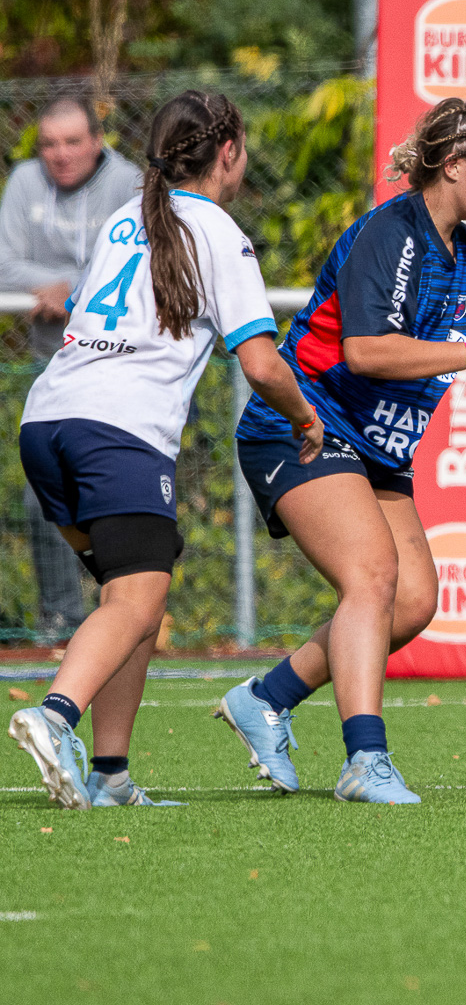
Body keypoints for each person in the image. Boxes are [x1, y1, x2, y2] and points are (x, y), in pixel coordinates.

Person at [214, 98, 466, 806]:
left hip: (377, 449)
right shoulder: (391, 234)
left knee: (410, 603)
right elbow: (366, 351)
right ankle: (364, 760)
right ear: (455, 165)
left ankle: (265, 699)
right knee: (372, 578)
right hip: (306, 427)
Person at [8, 91, 320, 810]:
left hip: (47, 422)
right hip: (117, 431)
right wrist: (307, 420)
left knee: (131, 599)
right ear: (229, 152)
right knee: (136, 597)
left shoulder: (127, 217)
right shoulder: (218, 231)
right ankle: (54, 717)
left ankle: (111, 776)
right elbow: (262, 364)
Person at [0, 97, 143, 638]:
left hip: (117, 366)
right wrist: (55, 284)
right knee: (43, 491)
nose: (60, 155)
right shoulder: (24, 181)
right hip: (50, 367)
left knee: (123, 495)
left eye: (73, 142)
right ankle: (62, 618)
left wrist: (74, 290)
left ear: (98, 140)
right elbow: (3, 264)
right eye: (49, 144)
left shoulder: (127, 183)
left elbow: (137, 265)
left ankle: (129, 610)